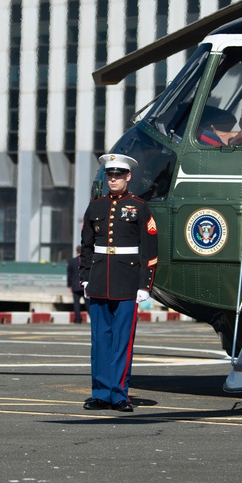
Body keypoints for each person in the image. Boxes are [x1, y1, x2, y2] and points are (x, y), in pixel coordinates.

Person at [79, 153, 158, 412]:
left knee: (122, 341)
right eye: (109, 176)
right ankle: (100, 393)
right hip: (100, 280)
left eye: (118, 176)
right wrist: (84, 278)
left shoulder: (140, 206)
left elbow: (149, 249)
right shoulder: (96, 206)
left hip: (127, 282)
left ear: (128, 177)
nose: (113, 180)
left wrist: (145, 285)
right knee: (100, 341)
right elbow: (87, 246)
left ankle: (119, 394)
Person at [67, 245, 85, 323]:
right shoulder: (85, 260)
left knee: (76, 304)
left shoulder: (72, 261)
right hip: (84, 285)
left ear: (76, 251)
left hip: (75, 285)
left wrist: (69, 285)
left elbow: (69, 275)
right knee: (88, 303)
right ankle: (92, 318)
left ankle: (78, 319)